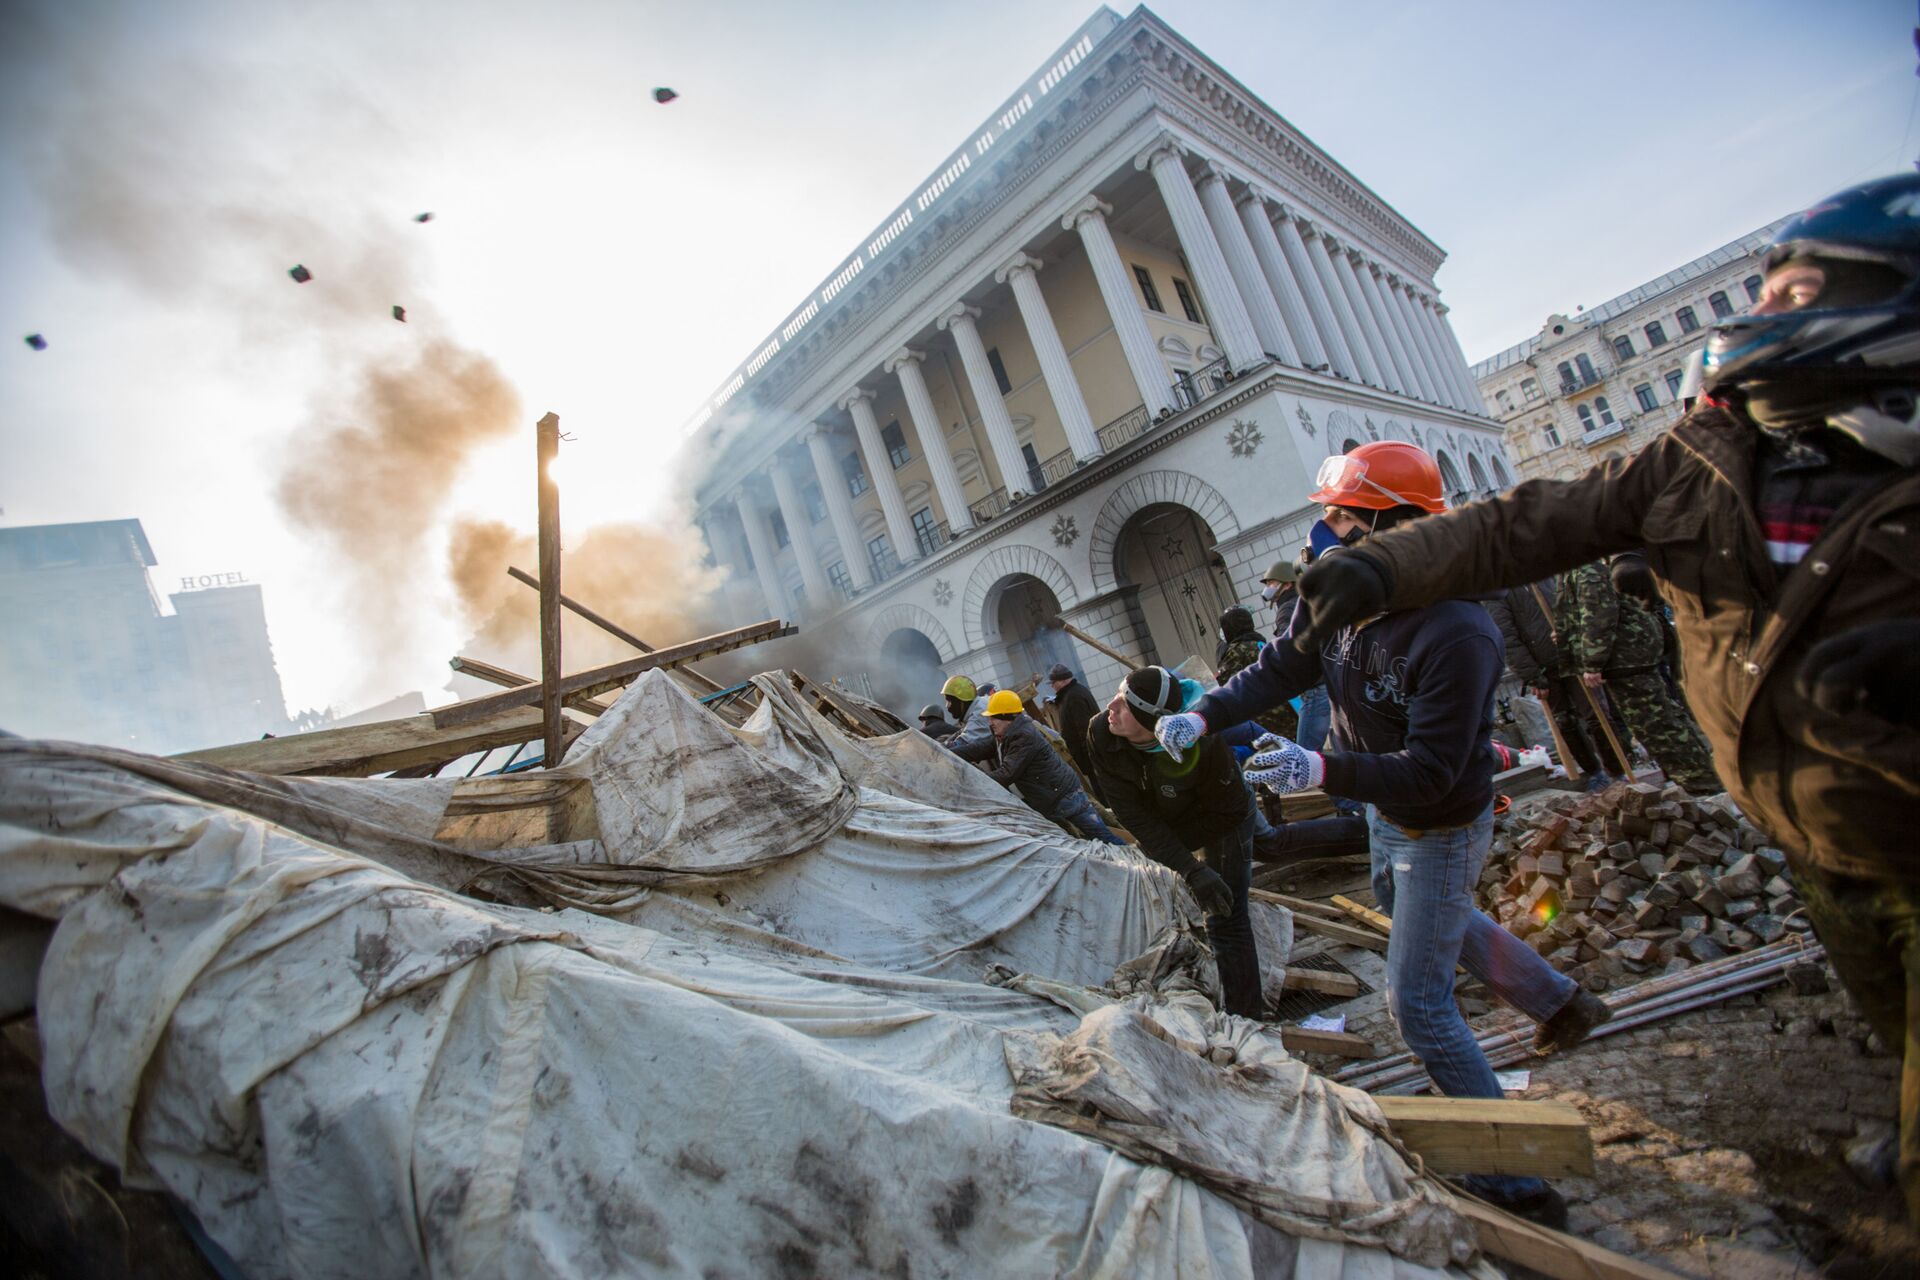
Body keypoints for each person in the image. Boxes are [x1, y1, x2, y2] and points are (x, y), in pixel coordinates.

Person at [1285, 175, 1920, 1220]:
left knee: (1418, 985)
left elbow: (1440, 754)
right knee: (1887, 1004)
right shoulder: (1701, 460)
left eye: (1795, 294)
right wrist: (1391, 568)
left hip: (1908, 825)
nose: (1759, 319)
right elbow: (1521, 521)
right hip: (1810, 829)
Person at [1153, 439, 1611, 1227]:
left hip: (1439, 821)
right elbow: (1279, 669)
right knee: (1429, 919)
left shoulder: (1457, 631)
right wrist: (1204, 711)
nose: (1322, 533)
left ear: (1389, 524)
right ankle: (1562, 1004)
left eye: (1338, 516)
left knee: (1419, 1004)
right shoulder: (1340, 597)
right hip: (1381, 812)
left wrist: (1321, 773)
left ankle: (1515, 1182)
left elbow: (1434, 771)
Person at [1087, 666, 1263, 1018]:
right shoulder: (1102, 734)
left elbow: (1226, 814)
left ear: (1149, 721)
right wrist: (1188, 866)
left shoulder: (1204, 744)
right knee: (1269, 845)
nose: (1111, 707)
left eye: (1124, 704)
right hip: (1173, 816)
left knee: (1225, 916)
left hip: (1224, 813)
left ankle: (1247, 1020)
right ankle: (1347, 835)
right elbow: (1135, 817)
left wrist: (1195, 866)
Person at [1555, 559, 1718, 794]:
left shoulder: (1586, 567)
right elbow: (1581, 612)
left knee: (1657, 724)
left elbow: (1599, 612)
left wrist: (1592, 661)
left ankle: (1703, 785)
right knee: (1661, 718)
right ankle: (1702, 777)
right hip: (1626, 654)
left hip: (1626, 654)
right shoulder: (1573, 567)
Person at [1484, 577, 1632, 790]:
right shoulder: (1498, 591)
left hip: (1572, 657)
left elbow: (1574, 607)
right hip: (1544, 668)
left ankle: (1617, 771)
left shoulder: (1547, 574)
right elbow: (1507, 637)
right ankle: (1594, 772)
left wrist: (1572, 636)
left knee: (1597, 716)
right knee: (1565, 722)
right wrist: (1533, 675)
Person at [951, 690, 1125, 845]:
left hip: (1065, 798)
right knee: (1083, 841)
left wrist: (971, 779)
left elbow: (1006, 774)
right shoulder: (1006, 733)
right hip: (1054, 799)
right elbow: (978, 748)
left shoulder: (1023, 737)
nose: (990, 722)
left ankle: (1137, 860)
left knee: (1103, 837)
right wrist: (948, 752)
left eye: (993, 717)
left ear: (1008, 716)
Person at [1216, 606, 1299, 739]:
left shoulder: (1237, 650)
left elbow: (1226, 683)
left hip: (1266, 715)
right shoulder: (1259, 642)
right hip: (1284, 709)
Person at [1045, 662, 1103, 791]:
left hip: (1092, 759)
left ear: (1061, 681)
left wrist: (1091, 760)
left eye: (1053, 683)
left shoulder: (1074, 697)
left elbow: (1084, 730)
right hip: (1091, 758)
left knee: (1101, 791)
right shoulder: (1073, 693)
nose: (1052, 687)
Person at [940, 675, 992, 750]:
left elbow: (963, 743)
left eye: (949, 701)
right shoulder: (978, 707)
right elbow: (961, 733)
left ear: (961, 701)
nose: (947, 706)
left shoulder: (979, 714)